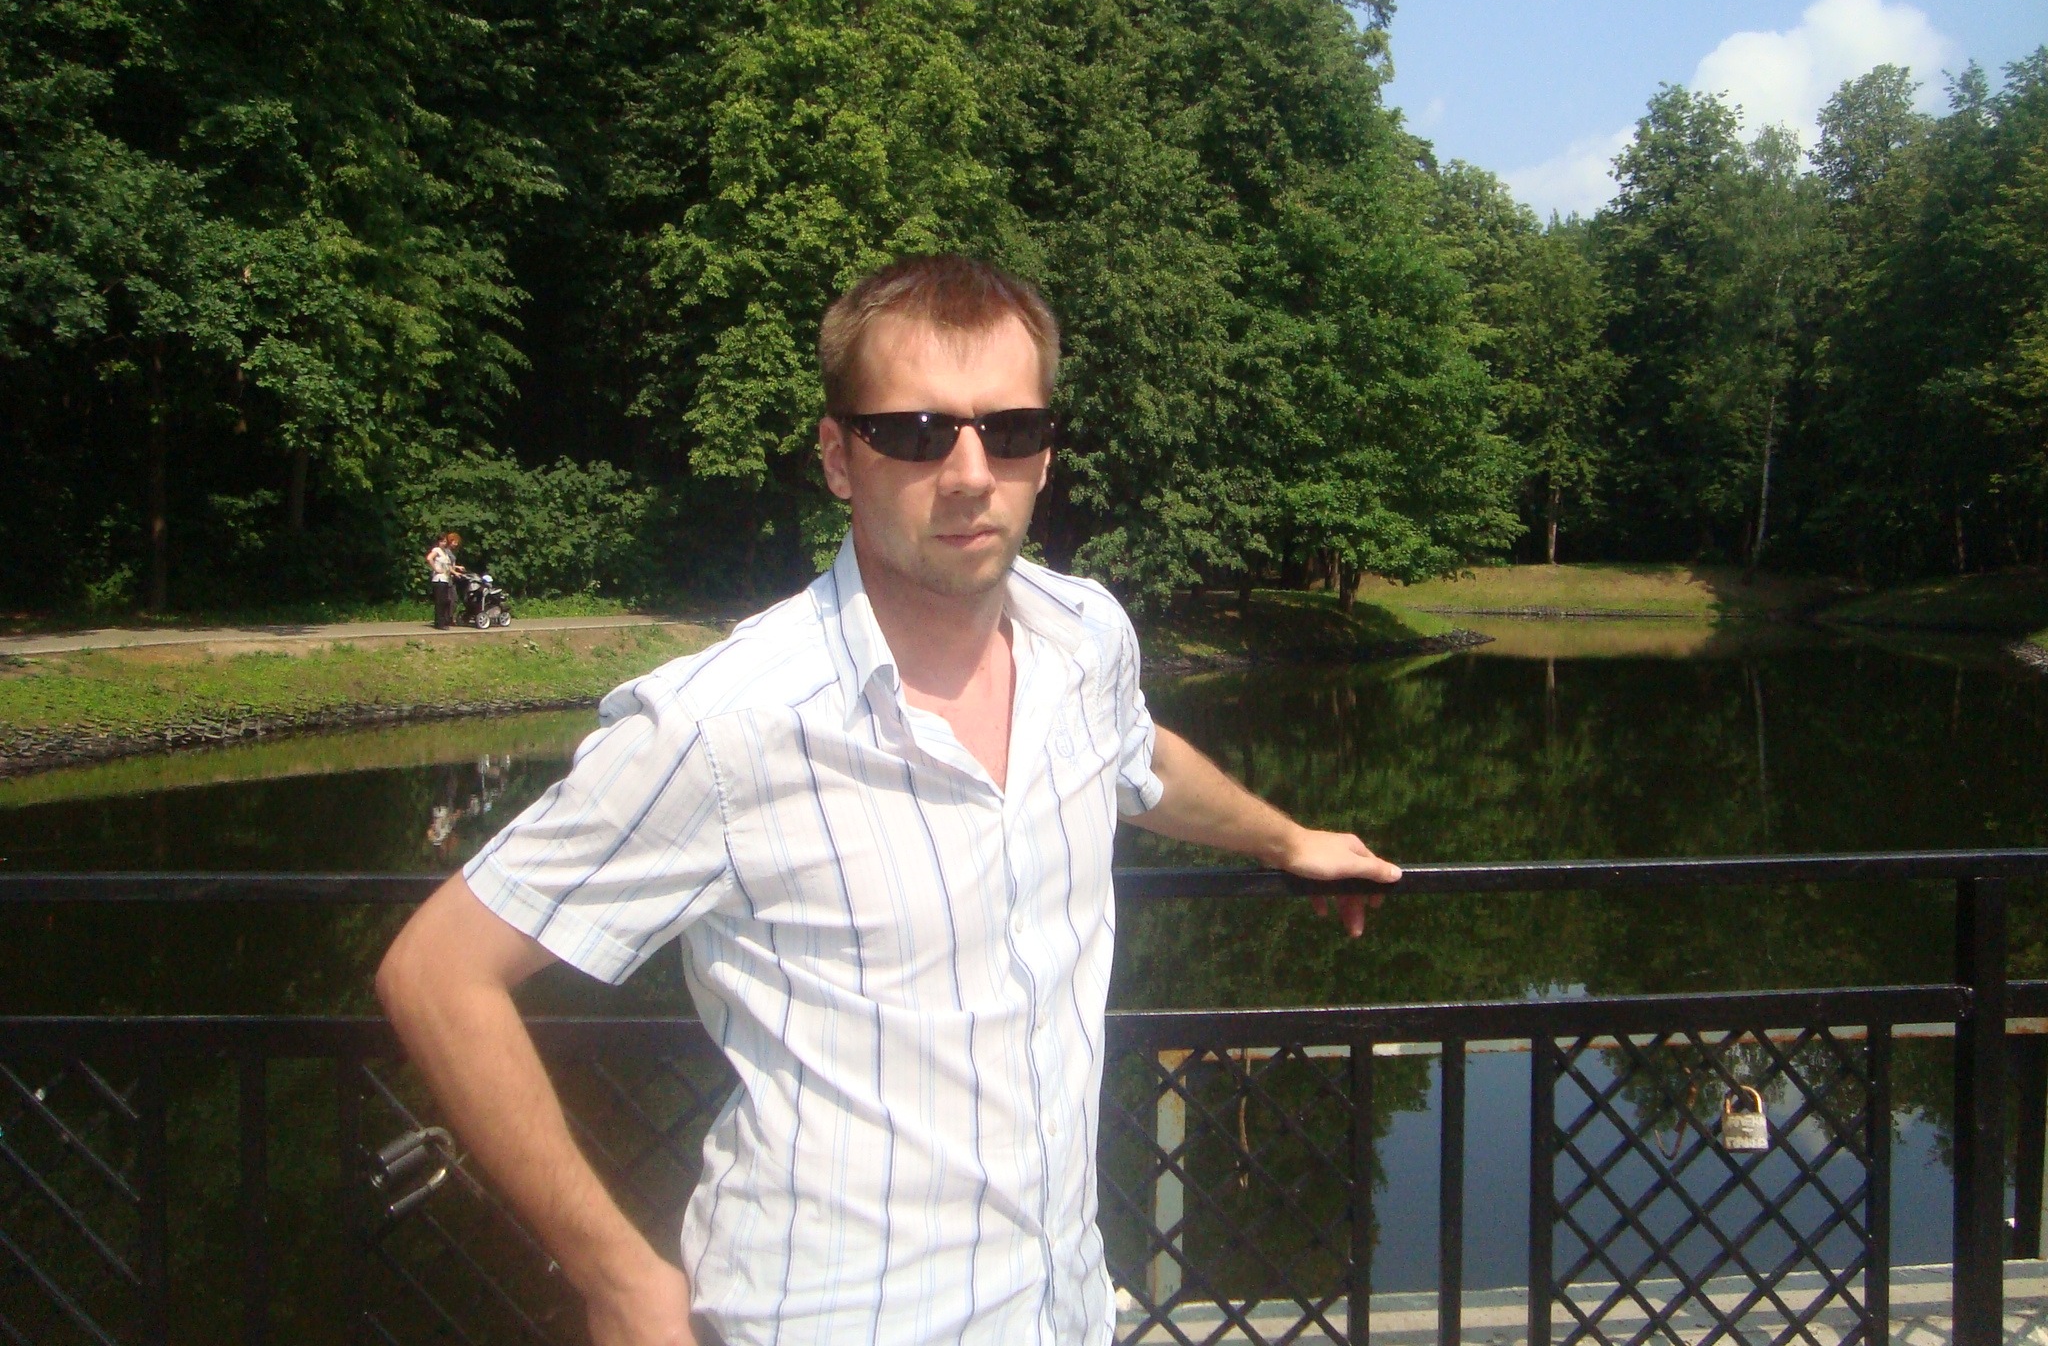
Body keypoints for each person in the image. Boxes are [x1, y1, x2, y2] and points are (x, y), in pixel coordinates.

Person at [375, 255, 1401, 1346]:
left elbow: (1135, 759)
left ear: (1046, 453)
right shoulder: (724, 725)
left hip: (1059, 1309)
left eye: (1010, 430)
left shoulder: (1082, 636)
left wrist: (1287, 839)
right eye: (916, 433)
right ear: (838, 457)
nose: (970, 473)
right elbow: (438, 973)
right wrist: (616, 1280)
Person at [426, 532, 463, 628]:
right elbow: (429, 558)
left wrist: (455, 572)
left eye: (445, 541)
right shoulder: (437, 550)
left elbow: (448, 566)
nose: (443, 543)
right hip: (438, 579)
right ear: (438, 542)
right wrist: (435, 569)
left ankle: (442, 621)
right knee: (440, 601)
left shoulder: (445, 552)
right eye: (442, 541)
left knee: (445, 601)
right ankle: (439, 623)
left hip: (445, 579)